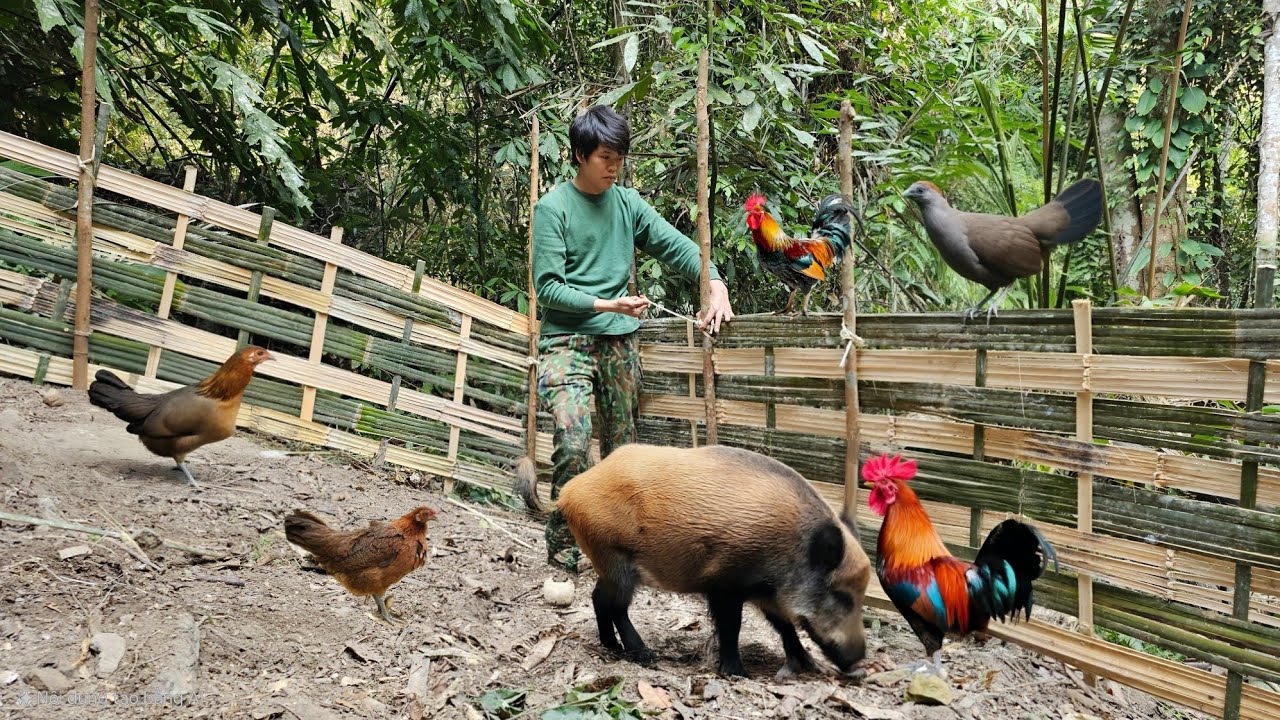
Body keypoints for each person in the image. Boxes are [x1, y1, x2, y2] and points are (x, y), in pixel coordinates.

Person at [532, 104, 734, 572]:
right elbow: (547, 288)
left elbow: (677, 245)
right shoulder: (553, 207)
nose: (614, 166)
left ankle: (619, 550)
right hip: (567, 343)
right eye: (605, 156)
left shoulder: (628, 204)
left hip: (619, 344)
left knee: (624, 452)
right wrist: (607, 304)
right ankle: (564, 548)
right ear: (580, 154)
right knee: (573, 439)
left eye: (619, 156)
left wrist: (715, 282)